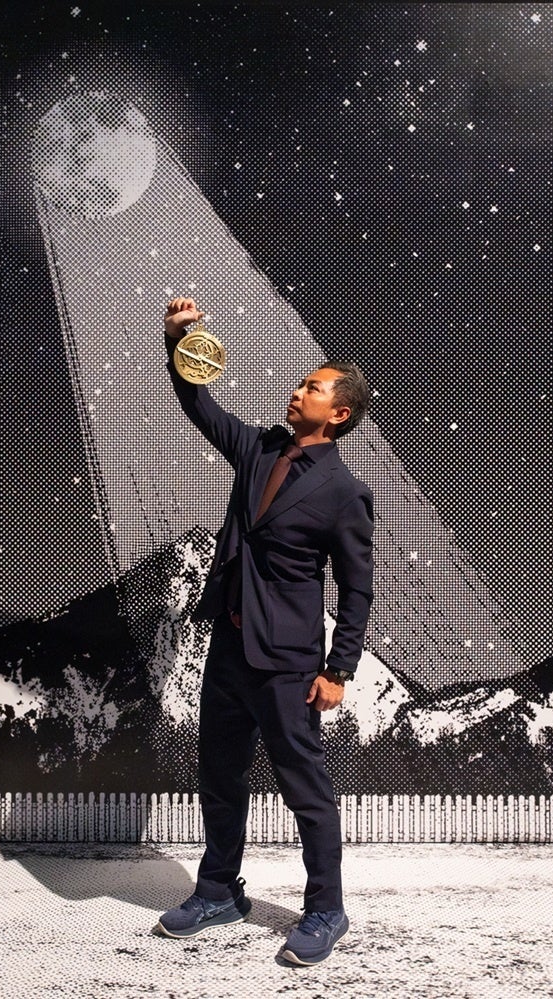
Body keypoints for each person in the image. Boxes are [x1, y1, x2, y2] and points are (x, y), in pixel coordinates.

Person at [154, 297, 374, 966]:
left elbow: (357, 589)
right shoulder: (260, 447)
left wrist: (337, 670)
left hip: (288, 662)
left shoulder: (344, 492)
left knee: (305, 789)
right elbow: (200, 405)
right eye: (301, 383)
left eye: (312, 387)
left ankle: (326, 910)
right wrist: (179, 341)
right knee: (220, 775)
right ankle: (219, 890)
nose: (297, 390)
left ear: (338, 413)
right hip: (229, 648)